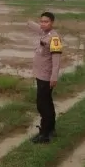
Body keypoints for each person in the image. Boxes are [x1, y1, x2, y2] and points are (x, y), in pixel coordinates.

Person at [27, 11, 62, 144]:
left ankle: (44, 134)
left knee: (42, 105)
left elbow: (56, 60)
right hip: (40, 75)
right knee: (48, 103)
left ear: (52, 23)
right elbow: (35, 26)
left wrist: (54, 77)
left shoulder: (55, 38)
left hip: (46, 77)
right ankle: (51, 129)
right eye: (41, 21)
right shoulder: (44, 33)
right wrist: (27, 21)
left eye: (46, 21)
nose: (43, 24)